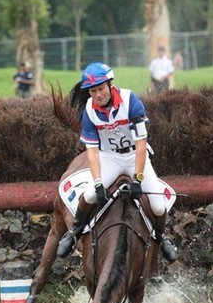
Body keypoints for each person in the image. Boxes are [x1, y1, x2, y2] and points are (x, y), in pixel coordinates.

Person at [57, 62, 177, 263]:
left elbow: (141, 144)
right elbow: (92, 152)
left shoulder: (131, 101)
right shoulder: (89, 109)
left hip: (134, 156)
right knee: (88, 195)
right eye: (93, 91)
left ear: (110, 85)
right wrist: (97, 182)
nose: (98, 95)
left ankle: (160, 238)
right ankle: (74, 233)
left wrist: (138, 180)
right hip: (109, 158)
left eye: (101, 89)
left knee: (157, 206)